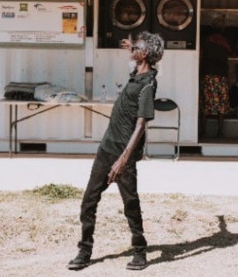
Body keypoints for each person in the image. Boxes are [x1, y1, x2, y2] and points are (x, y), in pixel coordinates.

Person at [67, 31, 165, 271]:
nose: (132, 49)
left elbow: (141, 125)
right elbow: (136, 59)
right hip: (107, 147)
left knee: (130, 203)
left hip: (124, 154)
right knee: (88, 201)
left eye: (137, 47)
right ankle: (84, 250)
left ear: (146, 55)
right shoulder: (136, 75)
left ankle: (140, 251)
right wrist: (132, 47)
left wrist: (123, 160)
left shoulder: (148, 84)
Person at [200, 17, 232, 137]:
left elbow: (201, 55)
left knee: (206, 104)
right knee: (222, 105)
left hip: (208, 74)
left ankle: (203, 131)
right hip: (221, 75)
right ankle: (220, 131)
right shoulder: (224, 40)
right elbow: (231, 52)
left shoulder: (206, 40)